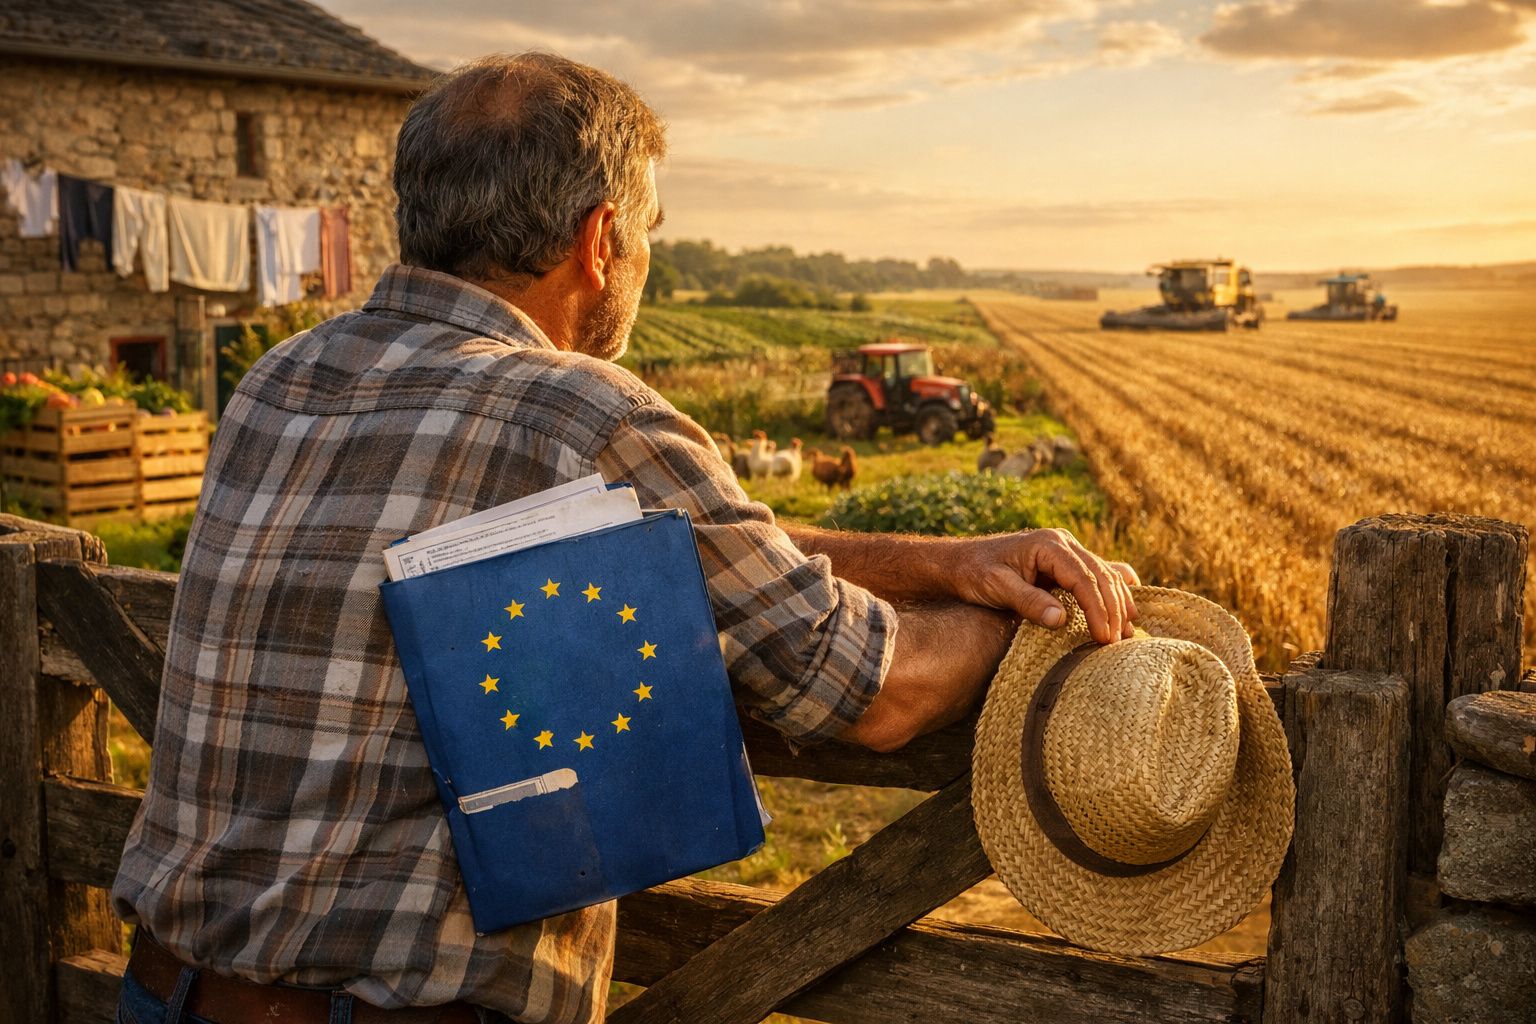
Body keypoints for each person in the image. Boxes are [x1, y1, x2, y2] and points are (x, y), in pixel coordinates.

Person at [112, 52, 1138, 1024]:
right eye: (648, 228)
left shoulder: (277, 381)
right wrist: (1023, 617)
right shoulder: (586, 415)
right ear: (600, 240)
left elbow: (690, 544)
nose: (646, 256)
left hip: (164, 987)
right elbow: (868, 692)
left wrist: (943, 559)